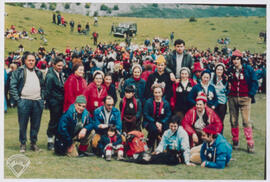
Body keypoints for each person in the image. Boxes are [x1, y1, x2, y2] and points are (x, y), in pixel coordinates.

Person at [9, 52, 45, 152]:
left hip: (37, 101)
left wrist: (42, 98)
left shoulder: (38, 72)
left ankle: (33, 144)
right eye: (29, 60)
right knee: (23, 124)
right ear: (24, 61)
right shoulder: (19, 71)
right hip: (24, 101)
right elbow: (12, 86)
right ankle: (23, 144)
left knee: (36, 124)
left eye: (33, 60)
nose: (31, 62)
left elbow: (43, 86)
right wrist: (18, 100)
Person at [227, 50, 258, 153]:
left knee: (246, 121)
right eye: (234, 59)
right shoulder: (230, 70)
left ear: (241, 60)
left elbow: (254, 81)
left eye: (237, 59)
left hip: (245, 98)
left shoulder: (248, 69)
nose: (235, 61)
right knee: (233, 120)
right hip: (232, 97)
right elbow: (226, 80)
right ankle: (235, 141)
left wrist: (250, 94)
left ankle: (250, 143)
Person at [181, 92, 223, 163]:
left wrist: (212, 134)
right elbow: (185, 123)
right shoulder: (191, 111)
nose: (198, 106)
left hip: (206, 134)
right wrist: (192, 133)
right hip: (195, 132)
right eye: (197, 104)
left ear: (205, 105)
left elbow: (219, 124)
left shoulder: (210, 112)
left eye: (200, 104)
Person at [143, 84, 171, 151]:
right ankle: (150, 146)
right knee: (154, 130)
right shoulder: (148, 102)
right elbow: (146, 114)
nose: (157, 94)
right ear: (153, 93)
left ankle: (162, 147)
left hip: (162, 122)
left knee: (166, 130)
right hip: (150, 121)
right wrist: (155, 122)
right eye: (155, 92)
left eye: (159, 92)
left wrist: (161, 123)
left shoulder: (166, 103)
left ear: (162, 93)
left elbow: (168, 115)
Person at [44, 57, 65, 150]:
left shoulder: (59, 74)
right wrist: (50, 103)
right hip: (54, 103)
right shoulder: (50, 76)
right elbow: (48, 91)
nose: (60, 67)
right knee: (53, 121)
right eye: (59, 65)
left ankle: (56, 139)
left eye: (62, 65)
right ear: (53, 65)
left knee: (58, 121)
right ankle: (50, 141)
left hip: (60, 102)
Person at [211, 63, 229, 134]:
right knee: (212, 120)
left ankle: (219, 136)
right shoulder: (211, 77)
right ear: (215, 70)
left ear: (223, 71)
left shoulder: (225, 80)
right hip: (213, 102)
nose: (219, 71)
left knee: (220, 121)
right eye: (218, 69)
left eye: (221, 70)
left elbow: (227, 90)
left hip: (222, 102)